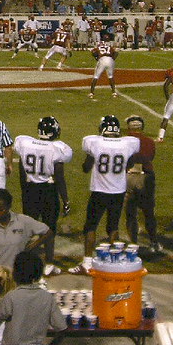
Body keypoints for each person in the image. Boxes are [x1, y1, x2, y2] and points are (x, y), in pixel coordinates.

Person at [71, 116, 139, 274]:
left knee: (90, 226)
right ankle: (113, 260)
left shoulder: (94, 142)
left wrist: (92, 159)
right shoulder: (127, 143)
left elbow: (86, 168)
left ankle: (87, 261)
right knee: (113, 226)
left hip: (99, 190)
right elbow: (129, 165)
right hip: (118, 191)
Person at [13, 117, 71, 276]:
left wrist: (24, 189)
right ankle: (49, 263)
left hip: (30, 189)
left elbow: (21, 170)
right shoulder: (57, 149)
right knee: (49, 228)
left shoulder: (25, 143)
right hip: (48, 190)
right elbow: (59, 177)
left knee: (28, 228)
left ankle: (25, 259)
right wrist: (65, 200)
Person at [0, 188, 50, 269]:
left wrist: (33, 246)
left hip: (18, 273)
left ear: (9, 206)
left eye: (1, 209)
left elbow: (48, 232)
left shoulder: (23, 221)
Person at [123, 114, 161, 254]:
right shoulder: (149, 141)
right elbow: (150, 157)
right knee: (148, 212)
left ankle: (133, 244)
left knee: (130, 213)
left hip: (128, 177)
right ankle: (153, 242)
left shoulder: (124, 141)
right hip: (145, 177)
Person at [88, 34, 118, 99]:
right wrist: (112, 59)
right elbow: (116, 53)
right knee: (110, 76)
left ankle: (91, 93)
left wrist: (96, 58)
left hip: (102, 59)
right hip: (110, 60)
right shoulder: (110, 45)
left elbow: (93, 52)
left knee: (96, 76)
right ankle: (114, 92)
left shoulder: (99, 45)